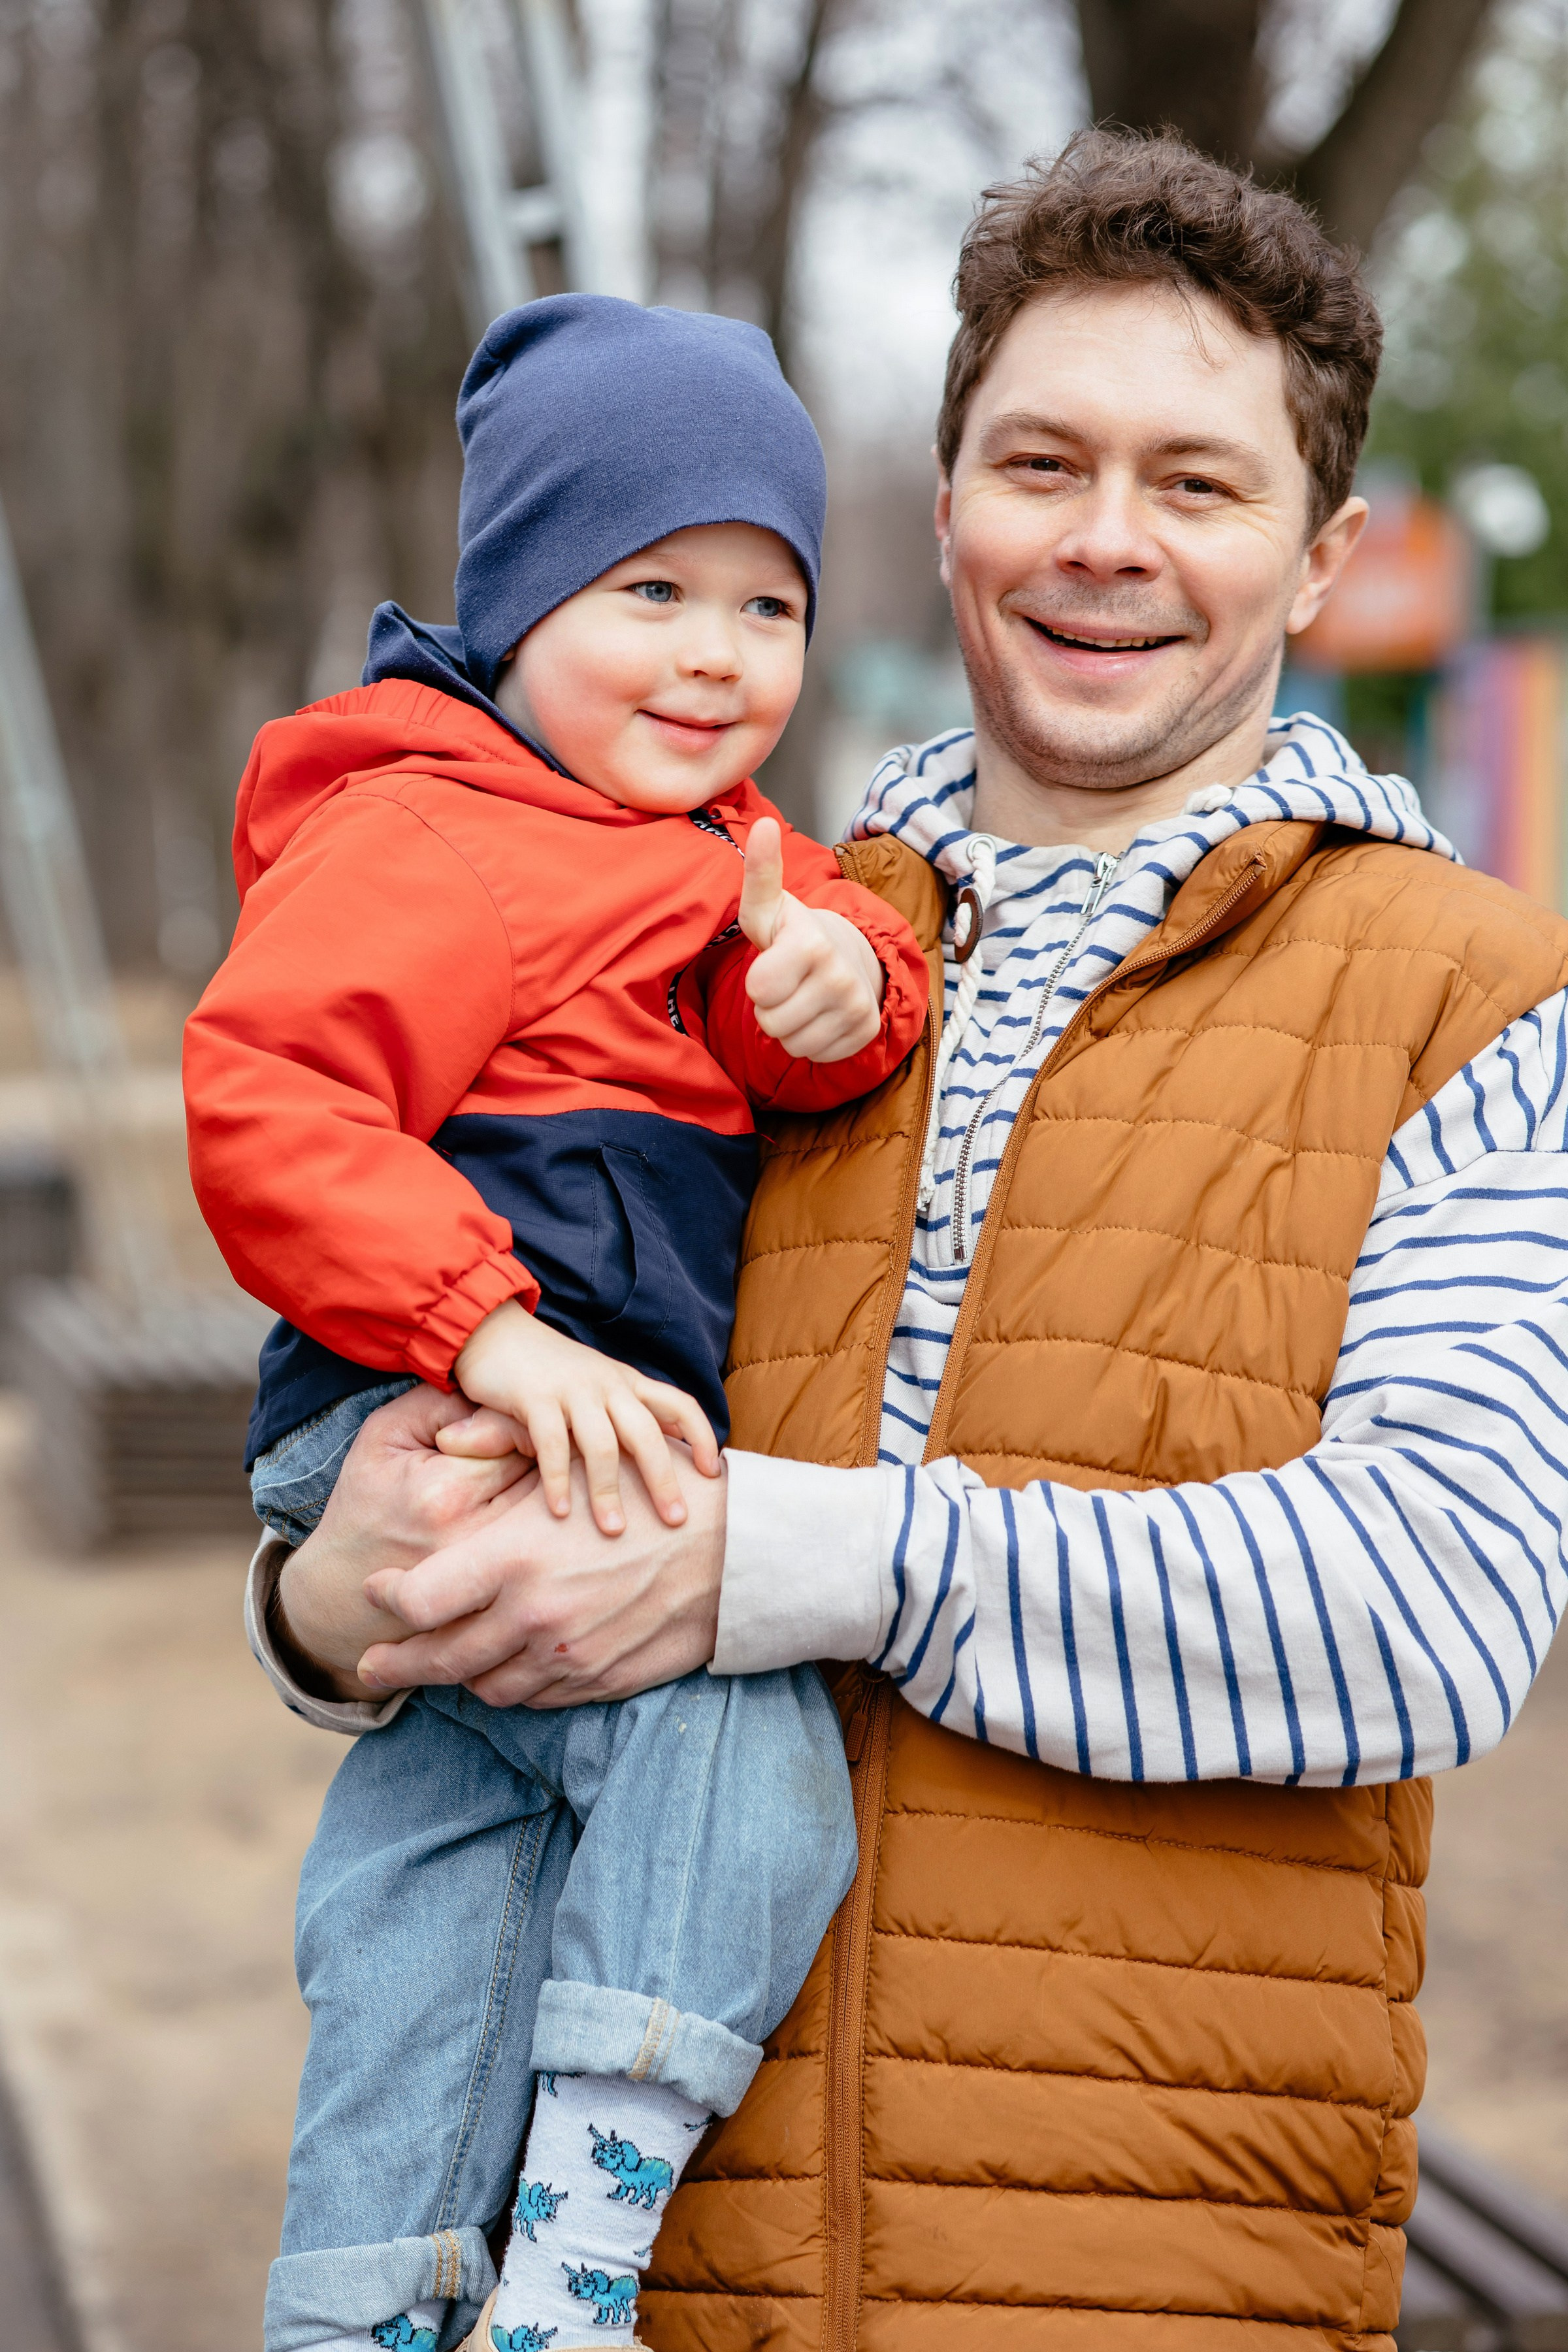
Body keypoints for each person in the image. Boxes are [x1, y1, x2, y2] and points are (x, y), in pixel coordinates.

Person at [255, 132, 1568, 2352]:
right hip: (645, 2281)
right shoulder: (729, 933)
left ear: (1327, 553)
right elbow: (441, 1333)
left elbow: (1431, 1613)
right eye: (1040, 461)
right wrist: (325, 1603)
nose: (1105, 542)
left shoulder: (1468, 996)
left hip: (1144, 2277)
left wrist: (794, 1556)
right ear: (944, 497)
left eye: (1199, 484)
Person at [184, 294, 928, 2352]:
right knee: (735, 1743)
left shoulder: (726, 853)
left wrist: (839, 1001)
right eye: (652, 589)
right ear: (517, 601)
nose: (717, 652)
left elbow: (838, 966)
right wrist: (485, 1333)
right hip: (436, 1400)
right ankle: (581, 2260)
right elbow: (269, 1099)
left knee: (432, 1904)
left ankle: (361, 2305)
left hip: (527, 1417)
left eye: (766, 606)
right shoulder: (427, 830)